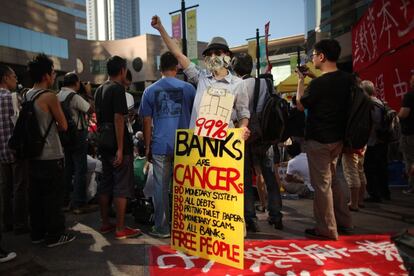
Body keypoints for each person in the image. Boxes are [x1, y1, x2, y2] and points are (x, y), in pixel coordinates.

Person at [150, 16, 250, 138]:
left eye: (218, 53)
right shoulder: (201, 77)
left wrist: (243, 127)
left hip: (224, 147)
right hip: (198, 146)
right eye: (209, 54)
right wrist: (161, 29)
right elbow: (178, 54)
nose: (213, 57)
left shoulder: (238, 84)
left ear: (227, 55)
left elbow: (243, 113)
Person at [296, 39, 353, 240]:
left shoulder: (319, 84)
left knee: (322, 185)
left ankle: (327, 228)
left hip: (319, 139)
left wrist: (301, 81)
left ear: (321, 57)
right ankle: (344, 221)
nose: (312, 58)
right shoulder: (348, 79)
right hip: (339, 138)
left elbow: (301, 104)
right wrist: (312, 76)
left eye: (313, 55)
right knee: (335, 180)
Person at [139, 51, 196, 238]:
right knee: (186, 186)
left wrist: (147, 146)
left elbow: (147, 121)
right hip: (185, 145)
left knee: (160, 188)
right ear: (177, 67)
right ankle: (187, 227)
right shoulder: (189, 89)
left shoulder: (149, 90)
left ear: (159, 68)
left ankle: (162, 228)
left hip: (160, 144)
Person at [25, 54, 75, 247]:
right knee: (53, 197)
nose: (54, 75)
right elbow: (63, 125)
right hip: (51, 154)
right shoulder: (49, 96)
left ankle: (37, 233)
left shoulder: (27, 95)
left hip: (33, 154)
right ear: (46, 75)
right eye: (53, 72)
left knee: (36, 197)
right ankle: (55, 235)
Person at [230, 52, 283, 232]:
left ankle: (250, 217)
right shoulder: (265, 83)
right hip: (264, 137)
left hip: (245, 136)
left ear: (235, 68)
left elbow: (237, 112)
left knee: (244, 178)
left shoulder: (238, 85)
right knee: (270, 176)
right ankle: (276, 214)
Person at [94, 56, 141, 239]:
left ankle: (105, 223)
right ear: (122, 70)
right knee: (121, 185)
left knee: (105, 184)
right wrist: (121, 149)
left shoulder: (99, 89)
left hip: (103, 142)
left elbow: (100, 118)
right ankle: (121, 229)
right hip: (117, 143)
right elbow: (118, 118)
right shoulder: (118, 89)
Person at [57, 72, 95, 214]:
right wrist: (89, 93)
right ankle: (79, 203)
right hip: (77, 135)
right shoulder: (74, 97)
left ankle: (65, 201)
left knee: (68, 169)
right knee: (80, 169)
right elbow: (91, 109)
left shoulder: (57, 96)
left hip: (63, 136)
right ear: (76, 83)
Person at [0, 64, 29, 235]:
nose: (16, 80)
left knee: (5, 188)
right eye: (14, 77)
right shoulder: (13, 98)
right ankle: (20, 224)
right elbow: (21, 125)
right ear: (5, 78)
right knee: (20, 188)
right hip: (16, 150)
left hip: (1, 151)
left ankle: (7, 223)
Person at [362, 80, 390, 202]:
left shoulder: (372, 104)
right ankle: (384, 193)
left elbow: (375, 122)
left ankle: (375, 194)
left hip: (374, 141)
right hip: (382, 140)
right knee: (381, 167)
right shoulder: (380, 102)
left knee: (371, 167)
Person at [399, 74, 414, 194]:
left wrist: (396, 116)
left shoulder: (409, 96)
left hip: (410, 133)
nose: (409, 81)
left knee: (410, 160)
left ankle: (412, 185)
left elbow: (404, 114)